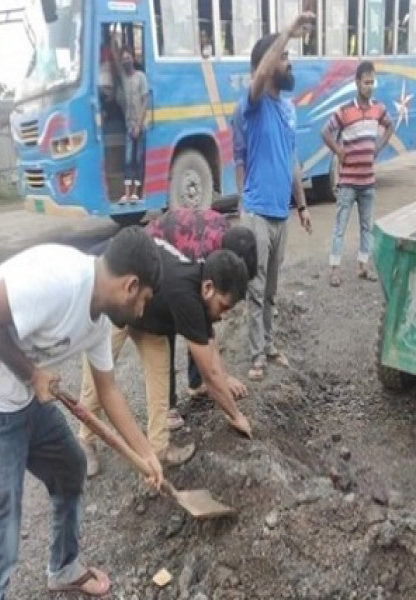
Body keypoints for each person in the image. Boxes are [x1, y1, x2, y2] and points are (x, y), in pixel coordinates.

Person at [0, 226, 165, 599]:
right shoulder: (60, 280)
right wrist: (33, 373)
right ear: (130, 284)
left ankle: (64, 567)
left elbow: (108, 390)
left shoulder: (100, 317)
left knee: (69, 466)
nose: (141, 312)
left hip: (20, 398)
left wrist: (146, 452)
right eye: (145, 300)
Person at [78, 241, 253, 476]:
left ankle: (159, 450)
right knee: (96, 383)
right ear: (209, 288)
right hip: (121, 308)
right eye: (223, 306)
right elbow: (208, 375)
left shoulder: (202, 285)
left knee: (160, 387)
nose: (223, 315)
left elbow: (209, 344)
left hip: (152, 323)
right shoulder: (187, 297)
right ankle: (85, 441)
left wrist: (226, 376)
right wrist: (236, 415)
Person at [239, 13, 315, 382]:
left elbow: (292, 162)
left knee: (270, 290)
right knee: (255, 288)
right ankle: (255, 354)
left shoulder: (288, 108)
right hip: (255, 211)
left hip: (281, 214)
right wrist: (286, 32)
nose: (289, 64)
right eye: (283, 58)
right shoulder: (253, 103)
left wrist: (301, 205)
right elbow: (260, 76)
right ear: (265, 67)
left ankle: (268, 345)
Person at [145, 208, 257, 428]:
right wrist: (219, 379)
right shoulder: (201, 258)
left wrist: (220, 376)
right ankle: (167, 406)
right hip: (155, 251)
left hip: (178, 252)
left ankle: (196, 385)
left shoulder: (231, 243)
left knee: (199, 322)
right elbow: (198, 325)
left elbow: (204, 328)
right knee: (163, 327)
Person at [321, 60, 393, 287]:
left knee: (366, 226)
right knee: (340, 226)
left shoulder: (378, 109)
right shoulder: (344, 111)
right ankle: (335, 269)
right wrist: (338, 151)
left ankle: (363, 266)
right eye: (366, 82)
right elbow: (325, 132)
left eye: (372, 82)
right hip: (348, 182)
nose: (369, 87)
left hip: (368, 182)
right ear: (356, 83)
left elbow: (390, 126)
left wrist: (379, 147)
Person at [117, 46, 148, 204]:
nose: (126, 61)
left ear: (133, 59)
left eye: (128, 58)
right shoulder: (124, 79)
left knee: (138, 158)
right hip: (128, 125)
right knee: (128, 159)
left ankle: (137, 193)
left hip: (140, 126)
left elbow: (145, 102)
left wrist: (139, 125)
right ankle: (127, 194)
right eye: (124, 59)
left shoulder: (140, 77)